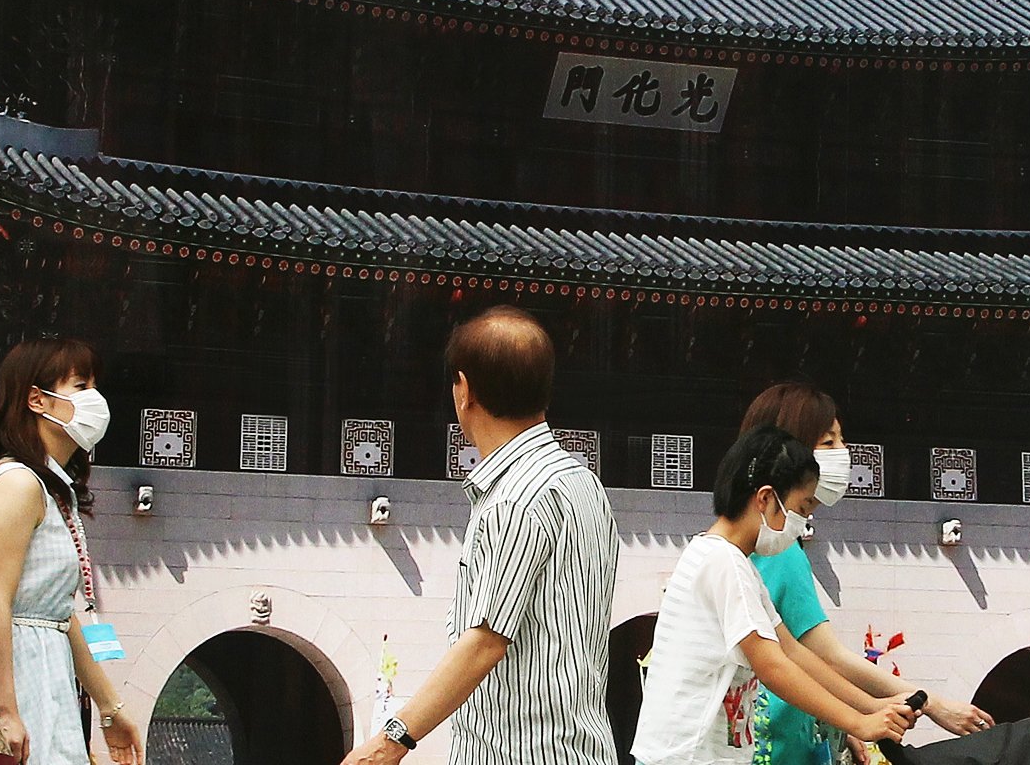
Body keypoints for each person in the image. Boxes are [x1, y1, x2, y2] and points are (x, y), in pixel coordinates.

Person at [341, 306, 620, 765]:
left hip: (521, 753)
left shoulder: (513, 498)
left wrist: (390, 742)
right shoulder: (582, 481)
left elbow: (486, 639)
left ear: (464, 390)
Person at [741, 383, 995, 765]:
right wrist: (932, 703)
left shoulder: (748, 549)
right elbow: (828, 657)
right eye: (828, 443)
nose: (843, 454)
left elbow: (801, 657)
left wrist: (849, 720)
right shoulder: (782, 554)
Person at [633, 426, 916, 765]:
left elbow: (793, 651)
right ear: (766, 498)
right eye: (802, 507)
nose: (805, 521)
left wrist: (873, 706)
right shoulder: (724, 564)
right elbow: (773, 666)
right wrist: (860, 722)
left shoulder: (731, 563)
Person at [0, 339, 142, 765]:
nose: (94, 399)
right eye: (80, 385)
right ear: (37, 400)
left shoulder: (51, 487)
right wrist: (5, 711)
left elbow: (59, 613)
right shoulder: (18, 483)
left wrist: (110, 708)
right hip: (21, 674)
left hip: (48, 665)